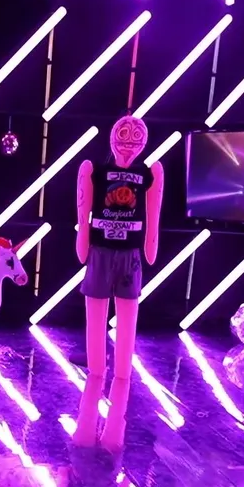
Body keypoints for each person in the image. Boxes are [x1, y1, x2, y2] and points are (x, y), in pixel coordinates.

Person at [74, 115, 163, 451]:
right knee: (95, 315)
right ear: (113, 138)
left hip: (130, 253)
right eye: (122, 136)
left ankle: (122, 371)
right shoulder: (96, 170)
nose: (127, 144)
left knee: (128, 317)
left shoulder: (148, 174)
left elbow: (153, 213)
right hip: (99, 251)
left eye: (134, 138)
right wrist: (83, 237)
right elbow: (84, 210)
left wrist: (151, 241)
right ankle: (97, 369)